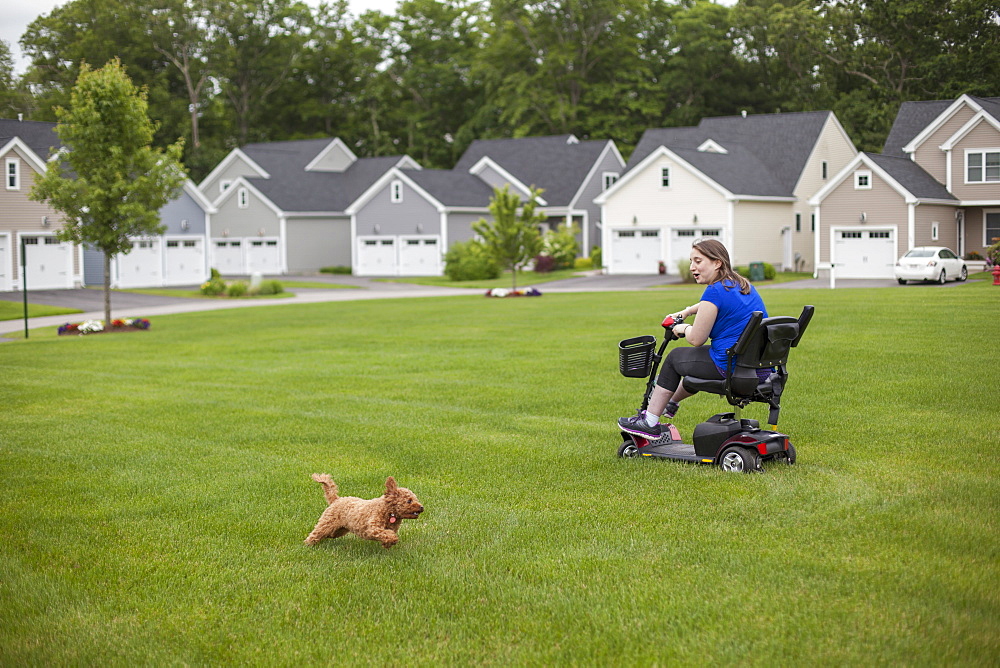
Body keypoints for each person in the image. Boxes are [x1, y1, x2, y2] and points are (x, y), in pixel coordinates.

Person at [618, 238, 768, 438]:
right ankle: (670, 403)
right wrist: (687, 311)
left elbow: (697, 338)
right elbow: (710, 305)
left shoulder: (714, 291)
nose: (692, 267)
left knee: (675, 358)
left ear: (717, 263)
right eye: (691, 262)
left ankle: (649, 422)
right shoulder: (741, 284)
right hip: (757, 368)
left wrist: (682, 327)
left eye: (698, 261)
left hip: (730, 366)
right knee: (693, 364)